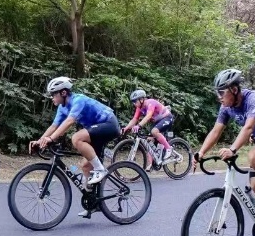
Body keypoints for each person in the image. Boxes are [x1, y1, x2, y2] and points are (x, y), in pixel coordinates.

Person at [196, 69, 255, 236]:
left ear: (234, 89)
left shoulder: (254, 99)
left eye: (221, 92)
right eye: (217, 92)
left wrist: (232, 149)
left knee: (254, 156)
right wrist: (201, 152)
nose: (219, 97)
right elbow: (216, 131)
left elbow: (248, 128)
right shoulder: (226, 107)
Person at [31, 77, 119, 216]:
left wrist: (51, 138)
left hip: (109, 124)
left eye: (53, 94)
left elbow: (69, 121)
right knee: (85, 166)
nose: (52, 97)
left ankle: (100, 169)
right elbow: (54, 126)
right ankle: (93, 203)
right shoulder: (62, 108)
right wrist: (40, 140)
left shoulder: (79, 100)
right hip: (96, 130)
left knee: (76, 138)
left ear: (63, 93)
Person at [123, 89, 177, 159]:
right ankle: (151, 163)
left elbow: (148, 116)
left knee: (154, 131)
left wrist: (138, 126)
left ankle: (168, 148)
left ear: (141, 99)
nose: (134, 103)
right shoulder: (139, 108)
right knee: (149, 141)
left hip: (167, 118)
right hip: (157, 121)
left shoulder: (150, 103)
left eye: (135, 101)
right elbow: (134, 119)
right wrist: (126, 128)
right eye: (133, 102)